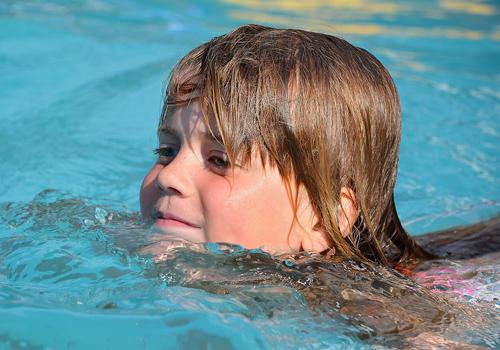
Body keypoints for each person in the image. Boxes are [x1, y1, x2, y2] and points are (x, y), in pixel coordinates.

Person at [139, 24, 467, 268]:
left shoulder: (367, 310)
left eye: (219, 160)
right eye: (167, 151)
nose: (171, 176)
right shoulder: (127, 236)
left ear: (324, 218)